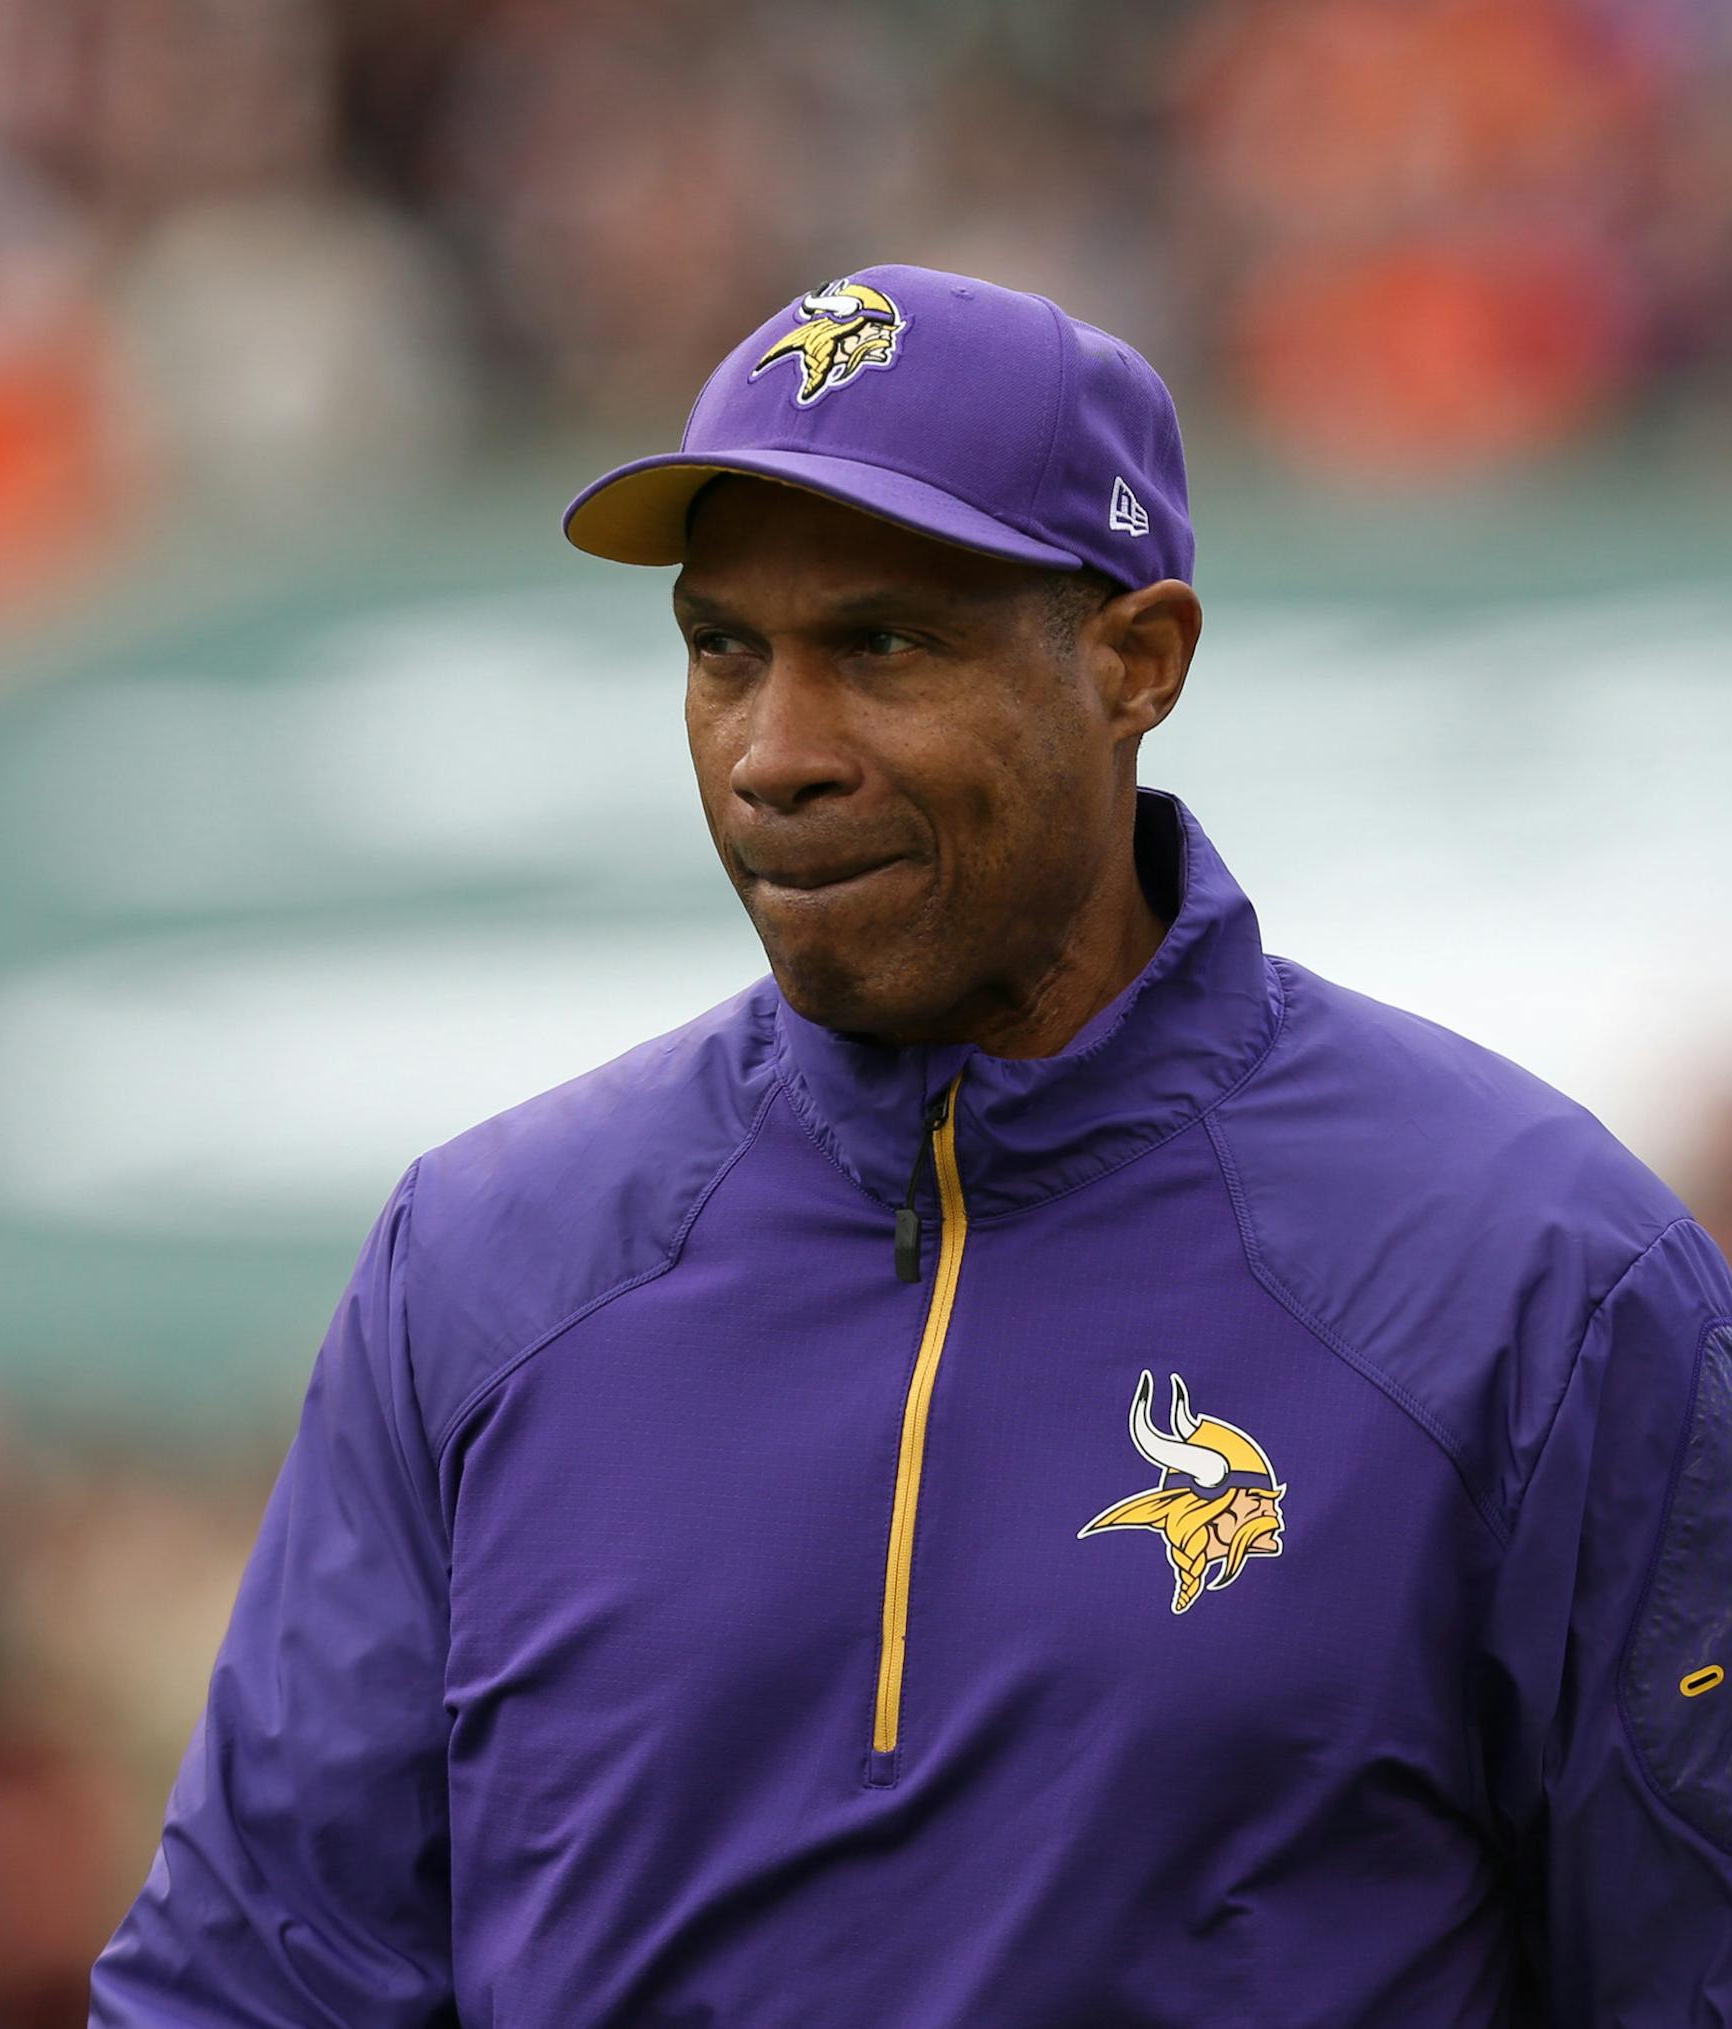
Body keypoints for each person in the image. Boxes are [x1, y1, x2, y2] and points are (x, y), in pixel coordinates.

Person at [89, 265, 1732, 2027]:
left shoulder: (1536, 1277)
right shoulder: (485, 1261)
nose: (773, 754)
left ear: (1138, 661)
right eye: (723, 650)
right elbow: (247, 1986)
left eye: (882, 645)